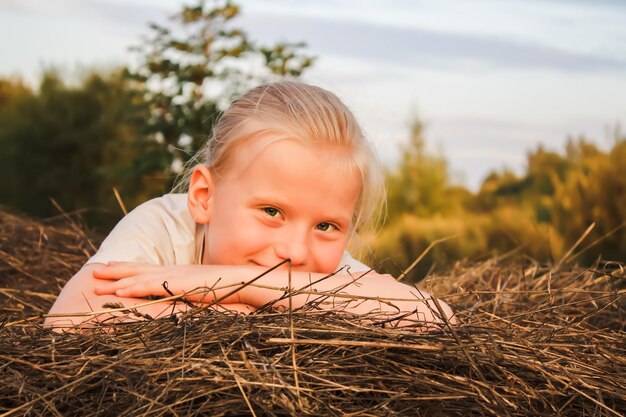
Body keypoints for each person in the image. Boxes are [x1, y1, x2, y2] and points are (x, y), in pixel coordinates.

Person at [45, 81, 455, 330]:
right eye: (272, 212)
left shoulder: (327, 264)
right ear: (205, 196)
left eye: (327, 226)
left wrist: (227, 284)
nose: (296, 251)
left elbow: (438, 319)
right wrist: (242, 314)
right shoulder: (162, 226)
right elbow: (69, 317)